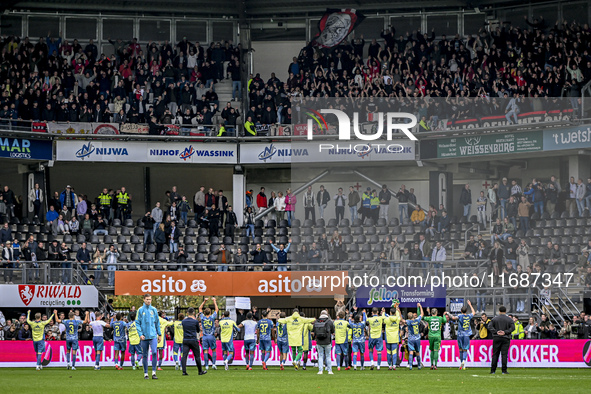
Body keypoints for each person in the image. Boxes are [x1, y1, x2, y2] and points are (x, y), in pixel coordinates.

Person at [136, 294, 162, 379]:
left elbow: (157, 323)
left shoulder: (153, 310)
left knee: (154, 352)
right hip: (144, 336)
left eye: (150, 299)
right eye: (147, 299)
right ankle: (146, 373)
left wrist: (159, 334)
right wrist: (140, 334)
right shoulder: (140, 310)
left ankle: (154, 372)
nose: (148, 301)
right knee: (145, 354)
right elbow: (137, 323)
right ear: (144, 299)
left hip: (153, 335)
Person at [445, 300, 475, 370]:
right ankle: (464, 362)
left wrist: (447, 313)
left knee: (460, 349)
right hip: (467, 335)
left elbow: (452, 318)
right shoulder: (468, 316)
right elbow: (474, 312)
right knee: (465, 349)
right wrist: (470, 305)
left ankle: (461, 364)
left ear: (461, 311)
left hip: (460, 334)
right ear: (466, 311)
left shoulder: (460, 316)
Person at [488, 306, 515, 375]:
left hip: (496, 337)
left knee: (495, 354)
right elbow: (513, 328)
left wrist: (496, 332)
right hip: (505, 338)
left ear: (499, 311)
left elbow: (489, 326)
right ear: (505, 311)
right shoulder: (509, 319)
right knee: (504, 354)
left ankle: (493, 370)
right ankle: (504, 370)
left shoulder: (495, 319)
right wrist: (505, 332)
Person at [181, 308, 206, 376]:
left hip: (185, 339)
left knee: (184, 356)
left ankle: (184, 371)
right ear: (194, 313)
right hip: (193, 339)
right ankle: (200, 371)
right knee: (197, 356)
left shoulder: (183, 321)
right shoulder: (195, 322)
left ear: (187, 313)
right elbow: (198, 330)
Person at [199, 297, 219, 370]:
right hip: (211, 336)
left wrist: (204, 301)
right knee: (213, 350)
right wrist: (214, 301)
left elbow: (200, 308)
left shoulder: (202, 318)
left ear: (204, 313)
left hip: (204, 336)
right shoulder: (212, 317)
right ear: (210, 312)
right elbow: (217, 309)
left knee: (205, 351)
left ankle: (206, 365)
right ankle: (213, 364)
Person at [313, 309, 334, 375]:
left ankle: (320, 370)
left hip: (319, 341)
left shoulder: (316, 321)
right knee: (328, 356)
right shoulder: (329, 322)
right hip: (327, 341)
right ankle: (329, 370)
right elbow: (333, 331)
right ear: (327, 314)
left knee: (320, 356)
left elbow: (314, 330)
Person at [404, 303, 424, 370]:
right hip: (417, 338)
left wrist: (398, 311)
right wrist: (420, 306)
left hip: (411, 338)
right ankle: (419, 365)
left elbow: (402, 320)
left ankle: (410, 365)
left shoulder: (409, 322)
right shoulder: (417, 320)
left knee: (411, 352)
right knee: (417, 352)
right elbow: (422, 314)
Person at [384, 303, 402, 371]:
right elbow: (398, 314)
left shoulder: (387, 319)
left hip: (388, 337)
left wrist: (383, 312)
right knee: (394, 352)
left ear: (390, 312)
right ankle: (394, 365)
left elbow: (383, 317)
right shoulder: (397, 318)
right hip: (395, 338)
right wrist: (397, 308)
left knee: (389, 352)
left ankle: (389, 366)